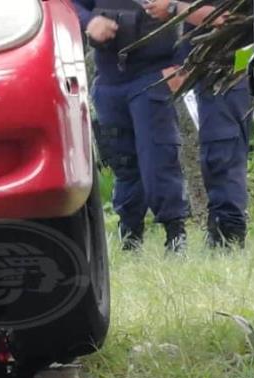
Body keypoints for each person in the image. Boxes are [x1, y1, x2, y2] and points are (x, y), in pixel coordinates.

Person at [73, 0, 189, 253]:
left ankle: (175, 233)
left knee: (158, 156)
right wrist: (89, 21)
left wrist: (182, 64)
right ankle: (130, 234)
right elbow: (67, 5)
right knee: (123, 162)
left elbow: (195, 12)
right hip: (108, 80)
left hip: (152, 74)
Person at [146, 0, 251, 248]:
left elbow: (230, 20)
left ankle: (230, 238)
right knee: (210, 158)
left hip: (228, 69)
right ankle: (217, 234)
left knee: (222, 154)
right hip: (199, 71)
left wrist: (173, 9)